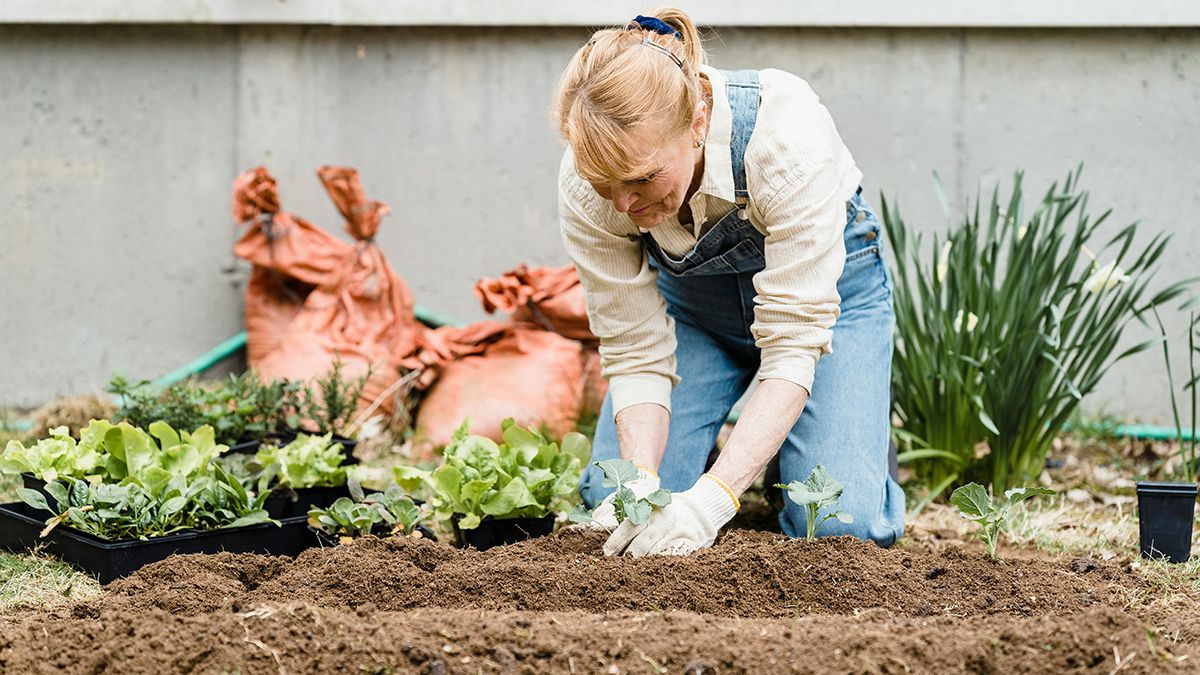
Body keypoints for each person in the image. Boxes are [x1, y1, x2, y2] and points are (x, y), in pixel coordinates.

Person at [552, 8, 904, 557]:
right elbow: (634, 350)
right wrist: (641, 483)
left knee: (839, 525)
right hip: (697, 317)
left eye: (642, 178)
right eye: (605, 183)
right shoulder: (587, 185)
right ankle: (758, 445)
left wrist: (711, 503)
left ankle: (827, 436)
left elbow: (792, 346)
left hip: (830, 311)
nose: (622, 204)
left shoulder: (784, 139)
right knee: (616, 502)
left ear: (697, 122)